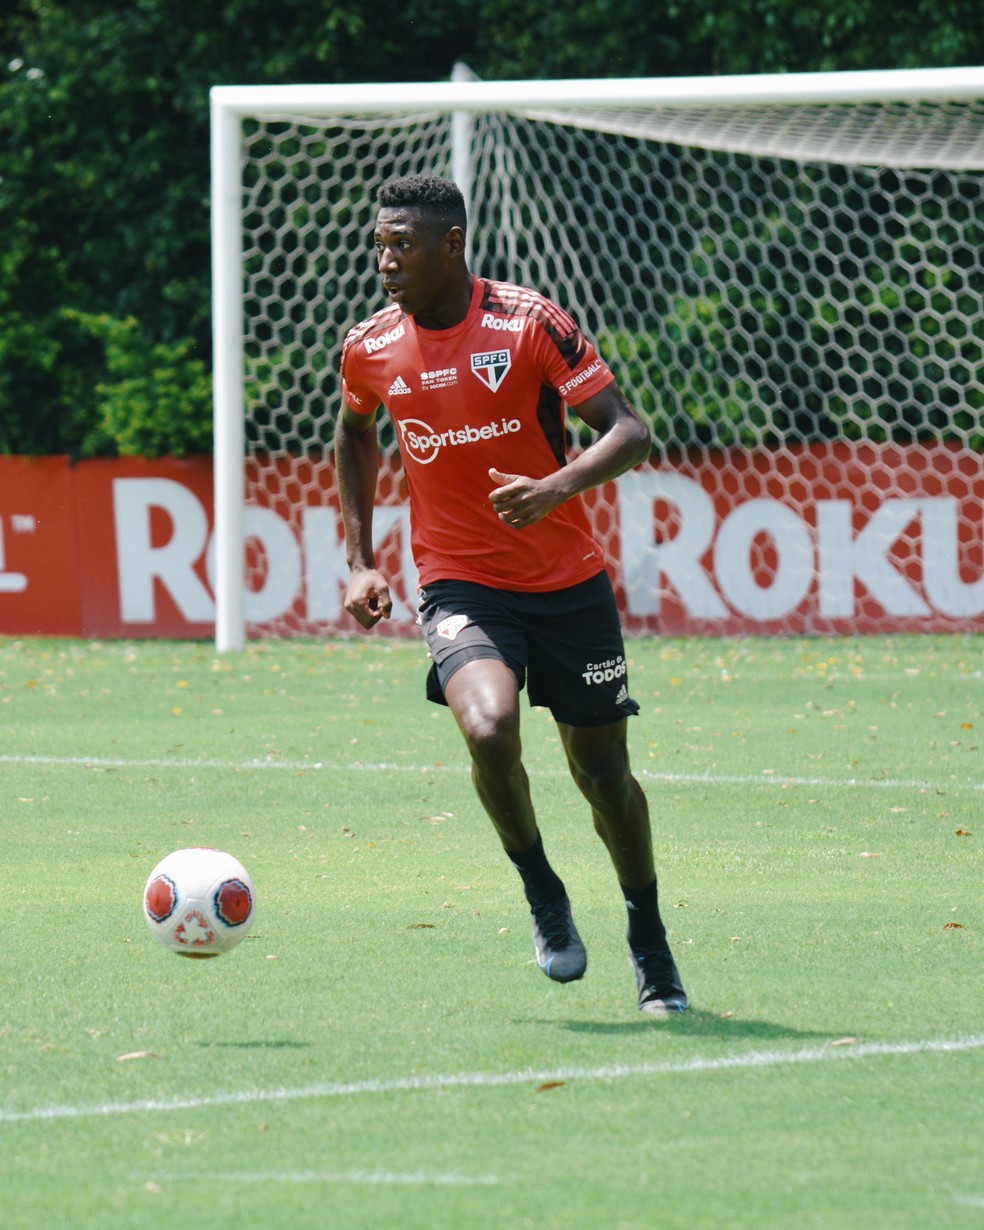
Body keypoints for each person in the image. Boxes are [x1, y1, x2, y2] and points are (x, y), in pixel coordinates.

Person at [334, 174, 687, 1016]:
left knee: (603, 776)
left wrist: (555, 489)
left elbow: (630, 431)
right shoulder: (370, 345)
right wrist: (359, 560)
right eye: (378, 243)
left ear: (451, 244)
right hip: (459, 580)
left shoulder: (530, 322)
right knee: (488, 725)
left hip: (567, 585)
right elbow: (353, 431)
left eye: (402, 244)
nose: (385, 260)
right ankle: (541, 890)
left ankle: (649, 937)